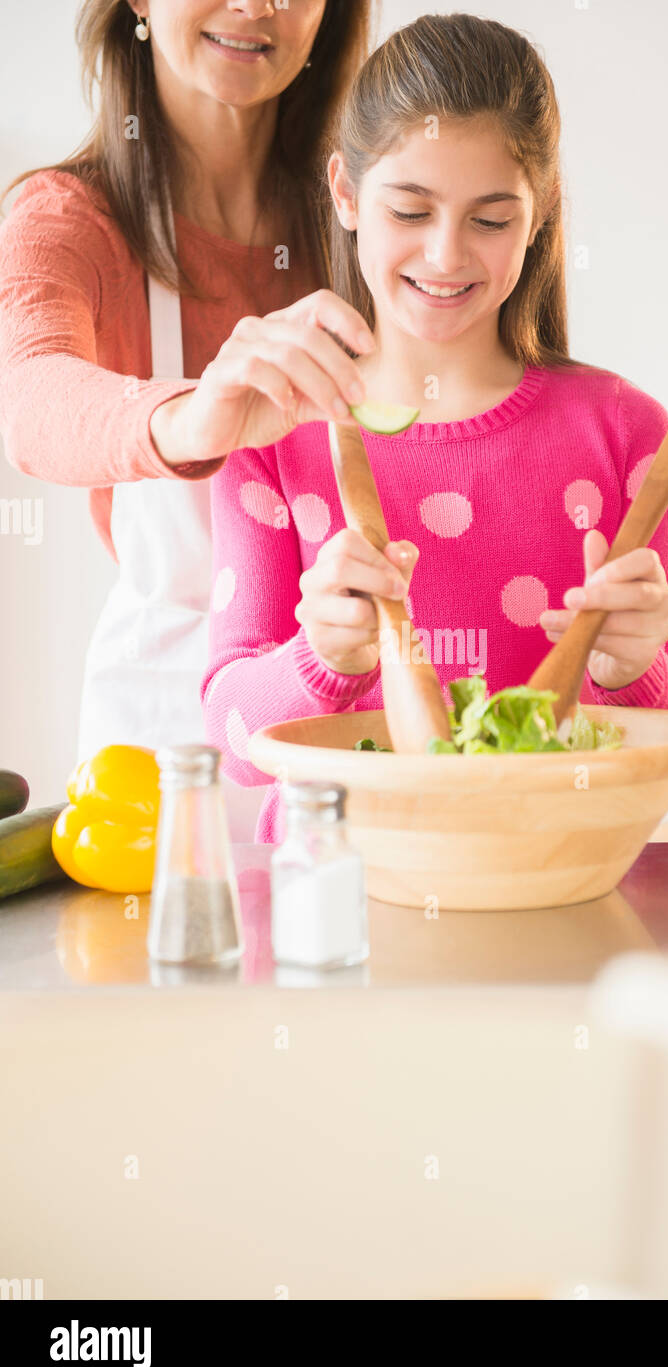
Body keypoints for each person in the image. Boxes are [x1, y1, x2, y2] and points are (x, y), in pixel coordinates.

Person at [203, 12, 668, 842]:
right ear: (344, 193)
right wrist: (320, 660)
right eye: (409, 211)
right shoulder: (273, 427)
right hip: (330, 910)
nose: (446, 257)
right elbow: (230, 741)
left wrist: (634, 673)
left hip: (551, 892)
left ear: (542, 210)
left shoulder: (626, 433)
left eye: (489, 220)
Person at [0, 0, 377, 839]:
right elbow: (29, 397)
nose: (256, 7)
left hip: (352, 746)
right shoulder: (70, 221)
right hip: (162, 776)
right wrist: (193, 419)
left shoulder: (370, 215)